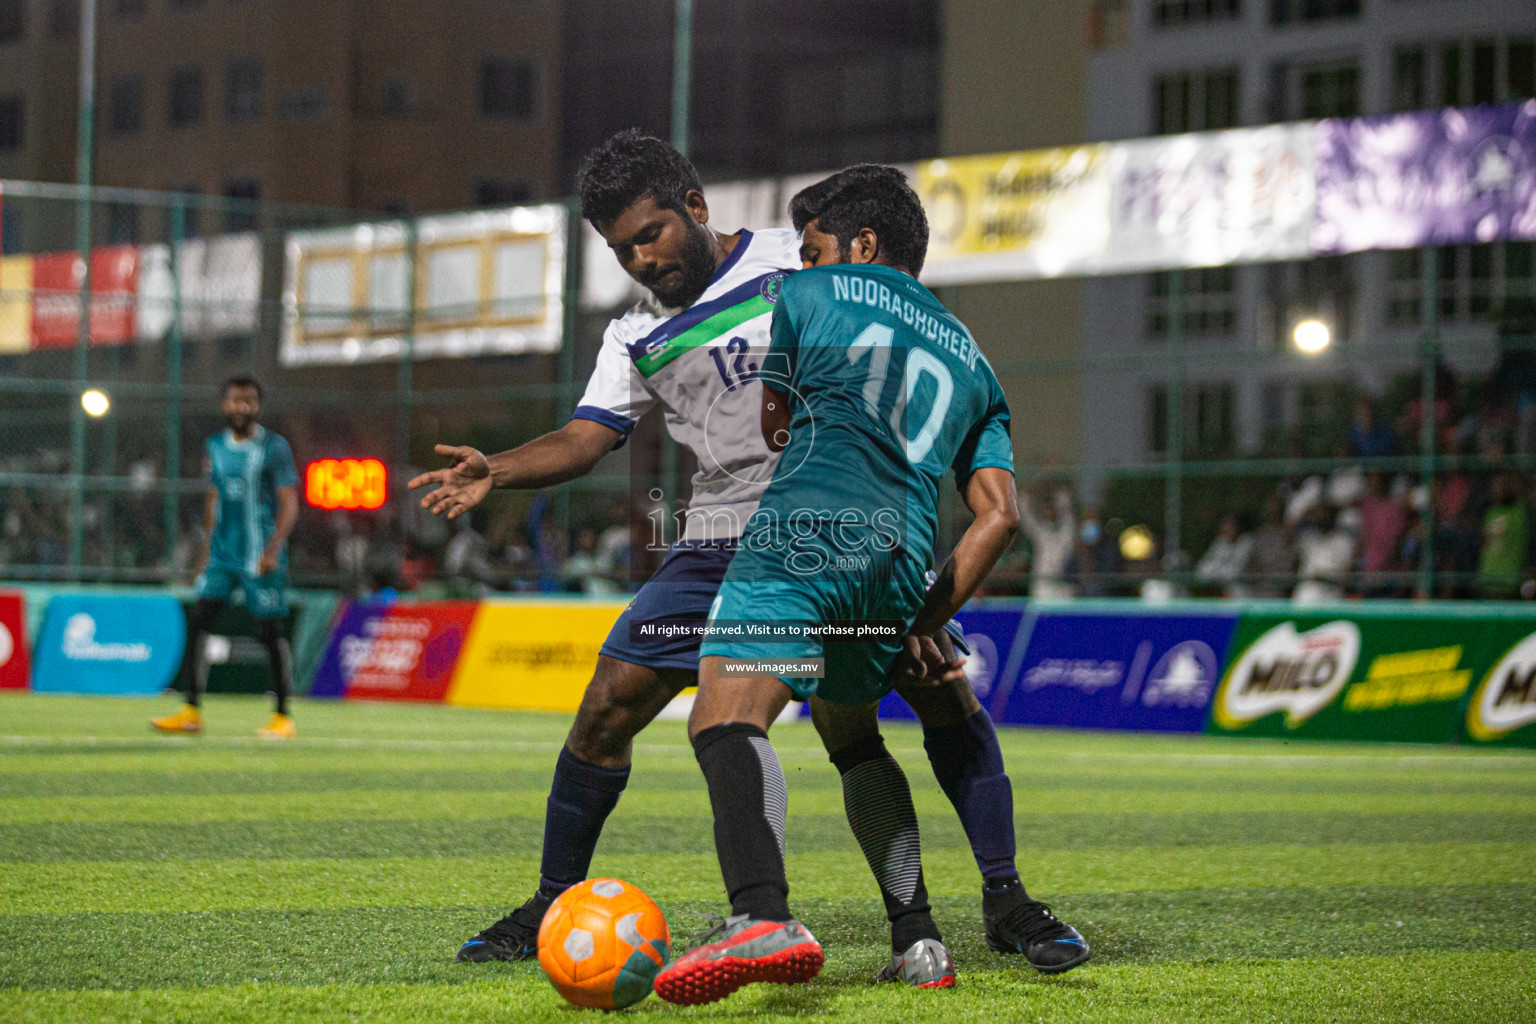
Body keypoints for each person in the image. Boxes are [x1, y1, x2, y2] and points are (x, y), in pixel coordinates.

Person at [409, 134, 1058, 981]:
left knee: (929, 693)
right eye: (620, 249)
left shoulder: (804, 257)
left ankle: (998, 901)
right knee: (609, 703)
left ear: (696, 206)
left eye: (650, 234)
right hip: (717, 541)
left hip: (832, 516)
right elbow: (584, 436)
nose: (640, 259)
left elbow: (896, 334)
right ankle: (554, 900)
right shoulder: (635, 334)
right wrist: (497, 468)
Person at [651, 166, 1088, 1006]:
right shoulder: (975, 359)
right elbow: (999, 517)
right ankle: (917, 938)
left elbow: (778, 424)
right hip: (898, 564)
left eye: (814, 249)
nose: (807, 263)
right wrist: (928, 611)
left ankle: (761, 915)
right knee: (850, 729)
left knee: (724, 713)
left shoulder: (808, 297)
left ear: (861, 245)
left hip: (804, 531)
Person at [152, 375, 300, 739]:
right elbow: (214, 499)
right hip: (222, 556)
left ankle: (283, 717)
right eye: (235, 400)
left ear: (258, 406)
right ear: (224, 404)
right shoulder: (214, 445)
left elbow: (289, 501)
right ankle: (190, 711)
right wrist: (204, 554)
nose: (241, 407)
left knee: (269, 633)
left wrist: (273, 548)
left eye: (248, 401)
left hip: (259, 556)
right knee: (198, 621)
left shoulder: (274, 447)